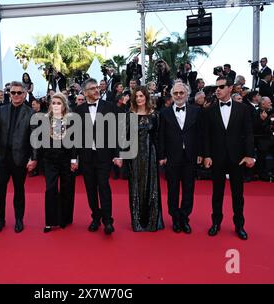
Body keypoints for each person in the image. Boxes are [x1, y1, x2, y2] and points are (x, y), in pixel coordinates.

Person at [204, 76, 255, 240]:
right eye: (216, 87)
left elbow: (248, 134)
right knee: (217, 194)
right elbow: (207, 136)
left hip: (237, 158)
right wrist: (207, 155)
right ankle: (216, 223)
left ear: (230, 88)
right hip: (217, 158)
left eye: (221, 86)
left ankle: (239, 225)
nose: (217, 90)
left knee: (238, 195)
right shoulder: (210, 111)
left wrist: (249, 155)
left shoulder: (243, 109)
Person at [74, 78, 122, 235]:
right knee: (90, 189)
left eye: (97, 88)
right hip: (87, 156)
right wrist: (74, 158)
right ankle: (95, 217)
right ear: (85, 92)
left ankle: (108, 220)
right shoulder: (78, 111)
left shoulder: (109, 107)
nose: (97, 90)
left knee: (104, 186)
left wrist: (118, 155)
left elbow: (116, 133)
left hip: (104, 156)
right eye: (92, 88)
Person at [0, 81, 38, 234]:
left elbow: (34, 138)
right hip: (2, 158)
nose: (15, 95)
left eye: (19, 93)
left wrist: (34, 158)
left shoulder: (31, 113)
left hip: (20, 158)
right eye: (13, 92)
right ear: (9, 94)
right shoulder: (1, 111)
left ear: (24, 94)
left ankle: (18, 219)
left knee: (19, 190)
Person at [158, 81, 203, 233]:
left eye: (181, 93)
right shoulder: (164, 113)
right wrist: (162, 155)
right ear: (172, 95)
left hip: (190, 156)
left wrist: (201, 154)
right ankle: (175, 218)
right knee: (173, 189)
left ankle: (184, 218)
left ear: (187, 94)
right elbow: (161, 136)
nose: (178, 95)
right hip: (172, 157)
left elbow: (200, 134)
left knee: (189, 189)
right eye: (175, 93)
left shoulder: (196, 111)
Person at [125, 86, 164, 232]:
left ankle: (152, 221)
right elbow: (124, 137)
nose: (139, 99)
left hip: (150, 154)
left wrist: (160, 156)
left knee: (151, 185)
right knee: (136, 186)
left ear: (146, 97)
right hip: (134, 155)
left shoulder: (155, 115)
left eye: (141, 96)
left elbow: (158, 137)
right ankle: (138, 222)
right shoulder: (129, 115)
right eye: (137, 96)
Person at [42, 93, 77, 233]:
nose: (56, 105)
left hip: (66, 158)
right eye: (53, 103)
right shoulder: (45, 119)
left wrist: (74, 160)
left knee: (66, 188)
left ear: (64, 105)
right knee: (50, 188)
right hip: (50, 159)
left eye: (59, 103)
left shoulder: (71, 120)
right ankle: (50, 221)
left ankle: (64, 218)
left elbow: (75, 141)